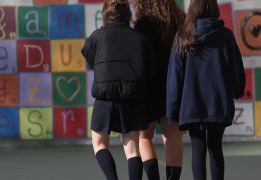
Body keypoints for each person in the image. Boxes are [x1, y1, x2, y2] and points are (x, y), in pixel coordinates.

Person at [166, 0, 246, 179]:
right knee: (216, 147)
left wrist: (172, 110)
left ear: (193, 9)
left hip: (191, 106)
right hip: (218, 103)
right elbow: (236, 69)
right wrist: (237, 90)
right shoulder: (226, 36)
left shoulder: (183, 36)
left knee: (198, 149)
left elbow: (174, 77)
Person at [81, 0, 156, 179]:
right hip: (132, 99)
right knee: (132, 150)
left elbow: (90, 60)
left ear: (105, 14)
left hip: (104, 97)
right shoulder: (140, 38)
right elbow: (151, 70)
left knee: (99, 144)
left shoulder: (97, 36)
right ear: (127, 14)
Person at [133, 0, 185, 179]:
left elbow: (141, 59)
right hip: (176, 86)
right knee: (173, 137)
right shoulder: (181, 20)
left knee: (144, 137)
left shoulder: (143, 24)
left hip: (150, 88)